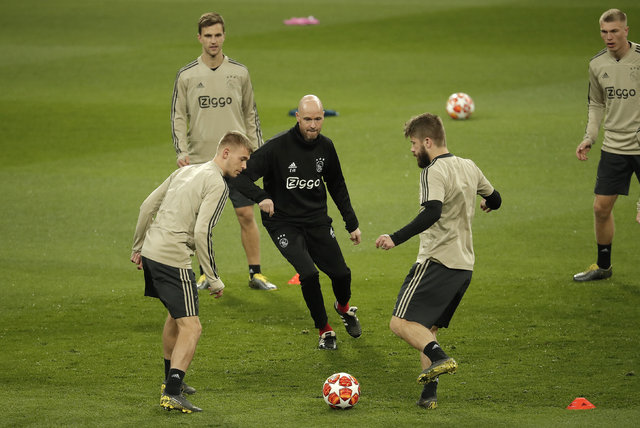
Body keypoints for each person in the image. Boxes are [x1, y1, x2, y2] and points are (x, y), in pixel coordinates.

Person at [375, 113, 501, 409]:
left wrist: (395, 237)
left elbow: (432, 211)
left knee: (400, 323)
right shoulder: (469, 166)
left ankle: (440, 357)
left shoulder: (433, 171)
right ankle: (429, 395)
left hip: (436, 261)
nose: (412, 149)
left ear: (428, 142)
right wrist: (486, 203)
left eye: (414, 143)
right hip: (463, 266)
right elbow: (495, 198)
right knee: (426, 329)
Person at [131, 131, 253, 413]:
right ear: (225, 153)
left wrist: (138, 247)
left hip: (152, 250)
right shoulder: (218, 184)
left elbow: (147, 207)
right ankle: (173, 392)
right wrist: (213, 278)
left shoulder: (186, 172)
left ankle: (170, 380)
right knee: (192, 326)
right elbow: (202, 233)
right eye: (242, 159)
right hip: (173, 257)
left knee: (176, 317)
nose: (244, 166)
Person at [231, 94, 362, 350]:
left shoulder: (326, 147)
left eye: (318, 119)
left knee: (341, 274)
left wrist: (352, 223)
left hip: (316, 220)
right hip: (283, 223)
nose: (313, 125)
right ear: (298, 117)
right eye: (308, 119)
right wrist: (261, 197)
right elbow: (239, 177)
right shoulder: (276, 147)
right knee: (309, 274)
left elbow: (337, 185)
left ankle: (343, 307)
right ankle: (324, 330)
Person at [171, 12, 276, 291]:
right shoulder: (187, 75)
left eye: (217, 35)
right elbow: (178, 116)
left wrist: (257, 155)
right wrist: (182, 150)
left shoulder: (239, 73)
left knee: (246, 215)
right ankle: (205, 274)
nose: (213, 41)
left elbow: (251, 115)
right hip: (202, 161)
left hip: (237, 162)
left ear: (224, 36)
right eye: (208, 35)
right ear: (199, 38)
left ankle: (256, 274)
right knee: (200, 221)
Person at [574, 8, 640, 282]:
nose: (609, 37)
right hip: (614, 147)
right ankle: (603, 267)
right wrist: (590, 137)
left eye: (614, 31)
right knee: (601, 208)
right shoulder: (597, 64)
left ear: (626, 30)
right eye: (604, 31)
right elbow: (596, 104)